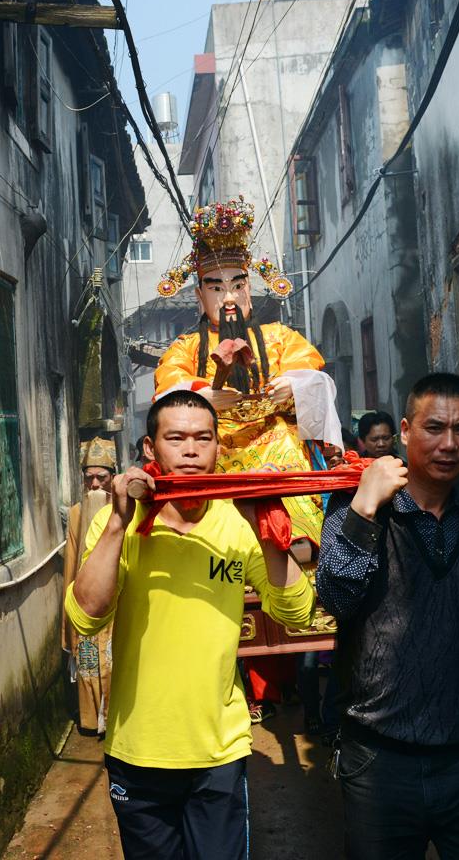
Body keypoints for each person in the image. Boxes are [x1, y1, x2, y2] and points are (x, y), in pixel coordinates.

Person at [64, 391, 315, 860]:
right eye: (175, 437)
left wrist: (269, 531)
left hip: (218, 750)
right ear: (150, 447)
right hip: (138, 749)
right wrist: (118, 525)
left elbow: (297, 614)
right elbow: (85, 615)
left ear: (219, 448)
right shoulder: (118, 521)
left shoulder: (236, 521)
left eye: (204, 438)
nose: (191, 449)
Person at [316, 372, 459, 860]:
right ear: (404, 430)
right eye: (434, 428)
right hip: (378, 764)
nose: (449, 444)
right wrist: (363, 505)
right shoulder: (354, 506)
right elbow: (335, 598)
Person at [155, 196, 343, 721]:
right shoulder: (185, 348)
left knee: (286, 451)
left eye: (237, 283)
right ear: (199, 295)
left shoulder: (280, 339)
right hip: (216, 452)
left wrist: (290, 388)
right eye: (215, 286)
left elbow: (316, 377)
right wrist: (204, 389)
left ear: (251, 290)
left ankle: (300, 551)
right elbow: (168, 395)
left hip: (270, 446)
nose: (228, 295)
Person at [61, 436, 116, 735]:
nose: (95, 485)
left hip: (116, 604)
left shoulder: (125, 509)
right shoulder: (76, 514)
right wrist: (68, 615)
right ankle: (91, 718)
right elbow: (70, 564)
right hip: (85, 603)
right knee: (87, 660)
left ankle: (115, 717)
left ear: (113, 478)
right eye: (89, 478)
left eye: (102, 478)